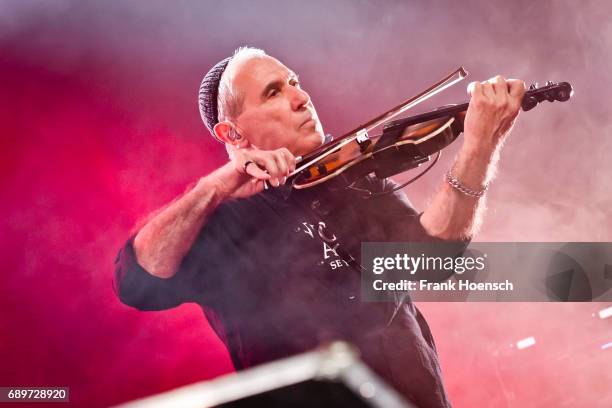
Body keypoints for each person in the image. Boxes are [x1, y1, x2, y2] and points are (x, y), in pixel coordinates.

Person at [114, 47, 526, 407]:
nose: (300, 97)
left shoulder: (355, 178)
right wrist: (217, 185)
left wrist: (478, 145)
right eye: (274, 92)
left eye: (294, 82)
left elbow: (431, 261)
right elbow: (137, 280)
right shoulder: (220, 221)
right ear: (233, 132)